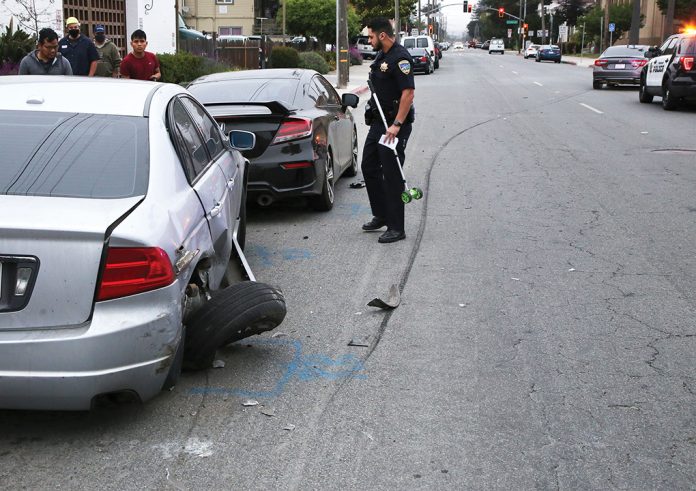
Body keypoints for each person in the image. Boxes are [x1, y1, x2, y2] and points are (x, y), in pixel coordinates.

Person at [361, 17, 415, 244]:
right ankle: (381, 214)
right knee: (368, 166)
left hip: (395, 126)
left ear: (382, 35)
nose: (369, 40)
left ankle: (396, 227)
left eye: (371, 36)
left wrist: (397, 125)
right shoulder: (381, 56)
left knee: (391, 173)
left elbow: (408, 93)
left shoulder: (400, 58)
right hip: (378, 123)